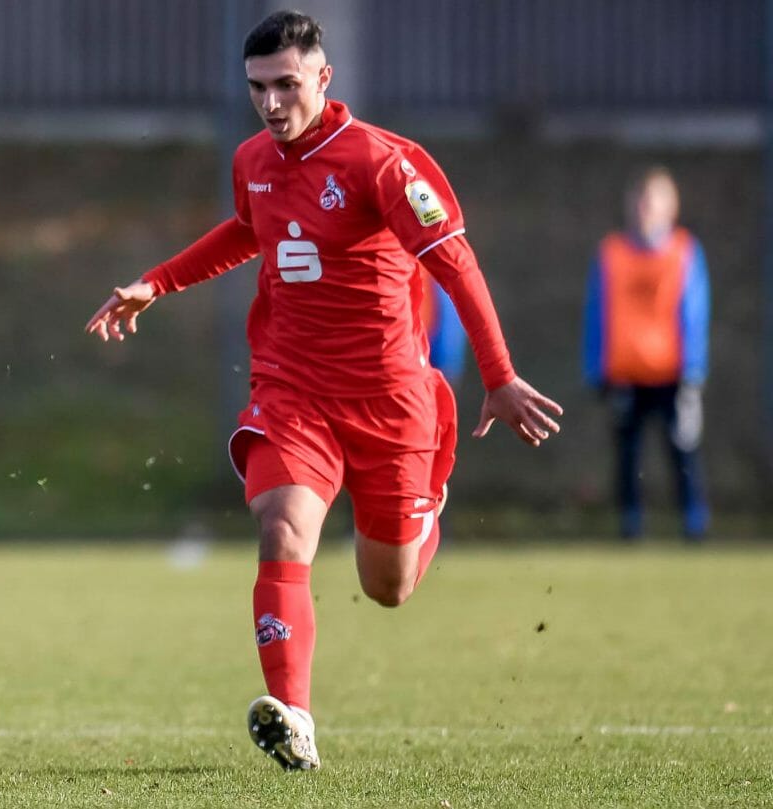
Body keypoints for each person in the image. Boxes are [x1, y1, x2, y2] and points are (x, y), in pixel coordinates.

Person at [85, 10, 561, 772]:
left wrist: (499, 377)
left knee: (388, 586)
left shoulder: (382, 163)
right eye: (257, 89)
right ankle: (295, 716)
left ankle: (424, 499)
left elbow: (456, 263)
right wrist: (157, 282)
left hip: (391, 399)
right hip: (293, 388)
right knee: (281, 530)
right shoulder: (252, 159)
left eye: (286, 85)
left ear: (323, 78)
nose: (272, 104)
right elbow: (249, 229)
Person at [583, 166, 709, 540]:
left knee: (683, 452)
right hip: (626, 373)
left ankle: (694, 523)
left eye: (652, 200)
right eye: (638, 200)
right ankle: (631, 524)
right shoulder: (612, 253)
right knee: (628, 457)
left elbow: (695, 312)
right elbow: (597, 312)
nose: (644, 208)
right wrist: (597, 369)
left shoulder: (684, 251)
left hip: (673, 373)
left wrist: (694, 370)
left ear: (671, 207)